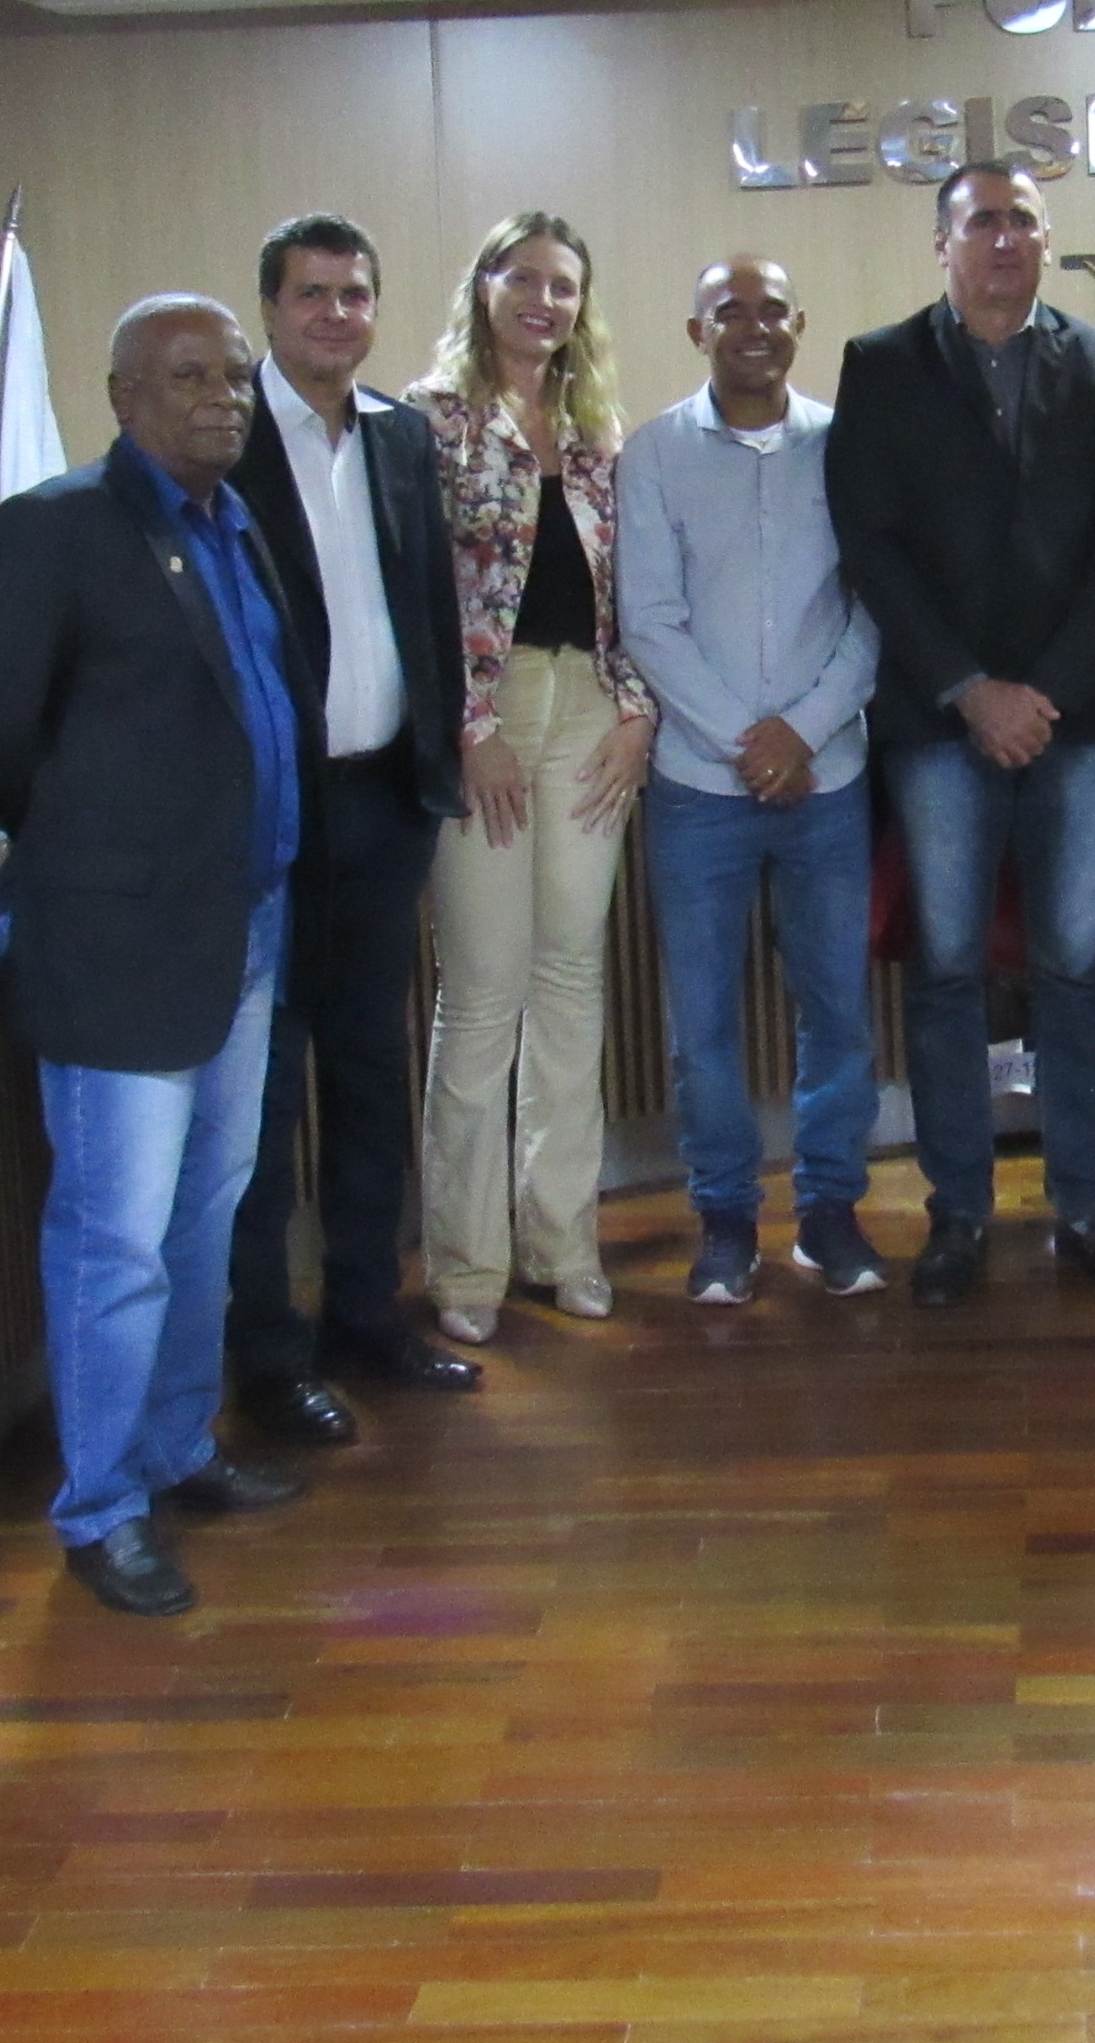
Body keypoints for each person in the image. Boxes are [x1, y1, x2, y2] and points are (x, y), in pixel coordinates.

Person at [0, 294, 311, 1617]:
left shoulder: (233, 522)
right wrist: (93, 842)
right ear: (122, 395)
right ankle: (100, 1509)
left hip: (244, 926)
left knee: (208, 1214)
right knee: (117, 1240)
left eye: (236, 378)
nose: (222, 399)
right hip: (118, 941)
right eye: (190, 376)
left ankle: (177, 1446)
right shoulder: (58, 529)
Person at [827, 161, 1095, 1307]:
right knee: (948, 971)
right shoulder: (880, 365)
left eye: (1022, 219)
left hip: (1079, 716)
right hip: (938, 720)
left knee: (1071, 965)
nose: (1004, 238)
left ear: (1046, 239)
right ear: (943, 244)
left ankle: (1086, 1205)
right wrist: (971, 690)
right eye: (981, 221)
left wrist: (1043, 692)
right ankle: (958, 1214)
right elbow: (870, 544)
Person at [219, 215, 482, 1435]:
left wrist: (436, 759)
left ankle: (367, 1317)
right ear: (269, 311)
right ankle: (269, 1357)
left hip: (383, 801)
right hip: (270, 815)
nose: (335, 314)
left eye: (354, 294)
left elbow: (429, 607)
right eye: (311, 294)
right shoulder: (225, 441)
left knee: (372, 1074)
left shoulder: (398, 435)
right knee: (265, 1097)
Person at [616, 255, 887, 1306]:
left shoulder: (848, 446)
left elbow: (875, 608)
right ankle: (725, 1220)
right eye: (728, 312)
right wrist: (747, 741)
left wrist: (802, 733)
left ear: (800, 324)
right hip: (699, 787)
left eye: (772, 310)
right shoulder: (653, 455)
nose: (752, 327)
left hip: (829, 779)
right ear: (696, 332)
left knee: (839, 1013)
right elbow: (650, 621)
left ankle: (829, 1213)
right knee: (702, 1024)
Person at [410, 213, 659, 1343]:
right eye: (524, 279)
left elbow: (633, 594)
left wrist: (639, 713)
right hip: (489, 718)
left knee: (569, 979)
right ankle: (467, 1266)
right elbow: (417, 595)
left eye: (564, 285)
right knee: (480, 994)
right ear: (485, 287)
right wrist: (470, 729)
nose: (543, 301)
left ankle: (564, 1244)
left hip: (590, 714)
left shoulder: (599, 431)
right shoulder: (429, 423)